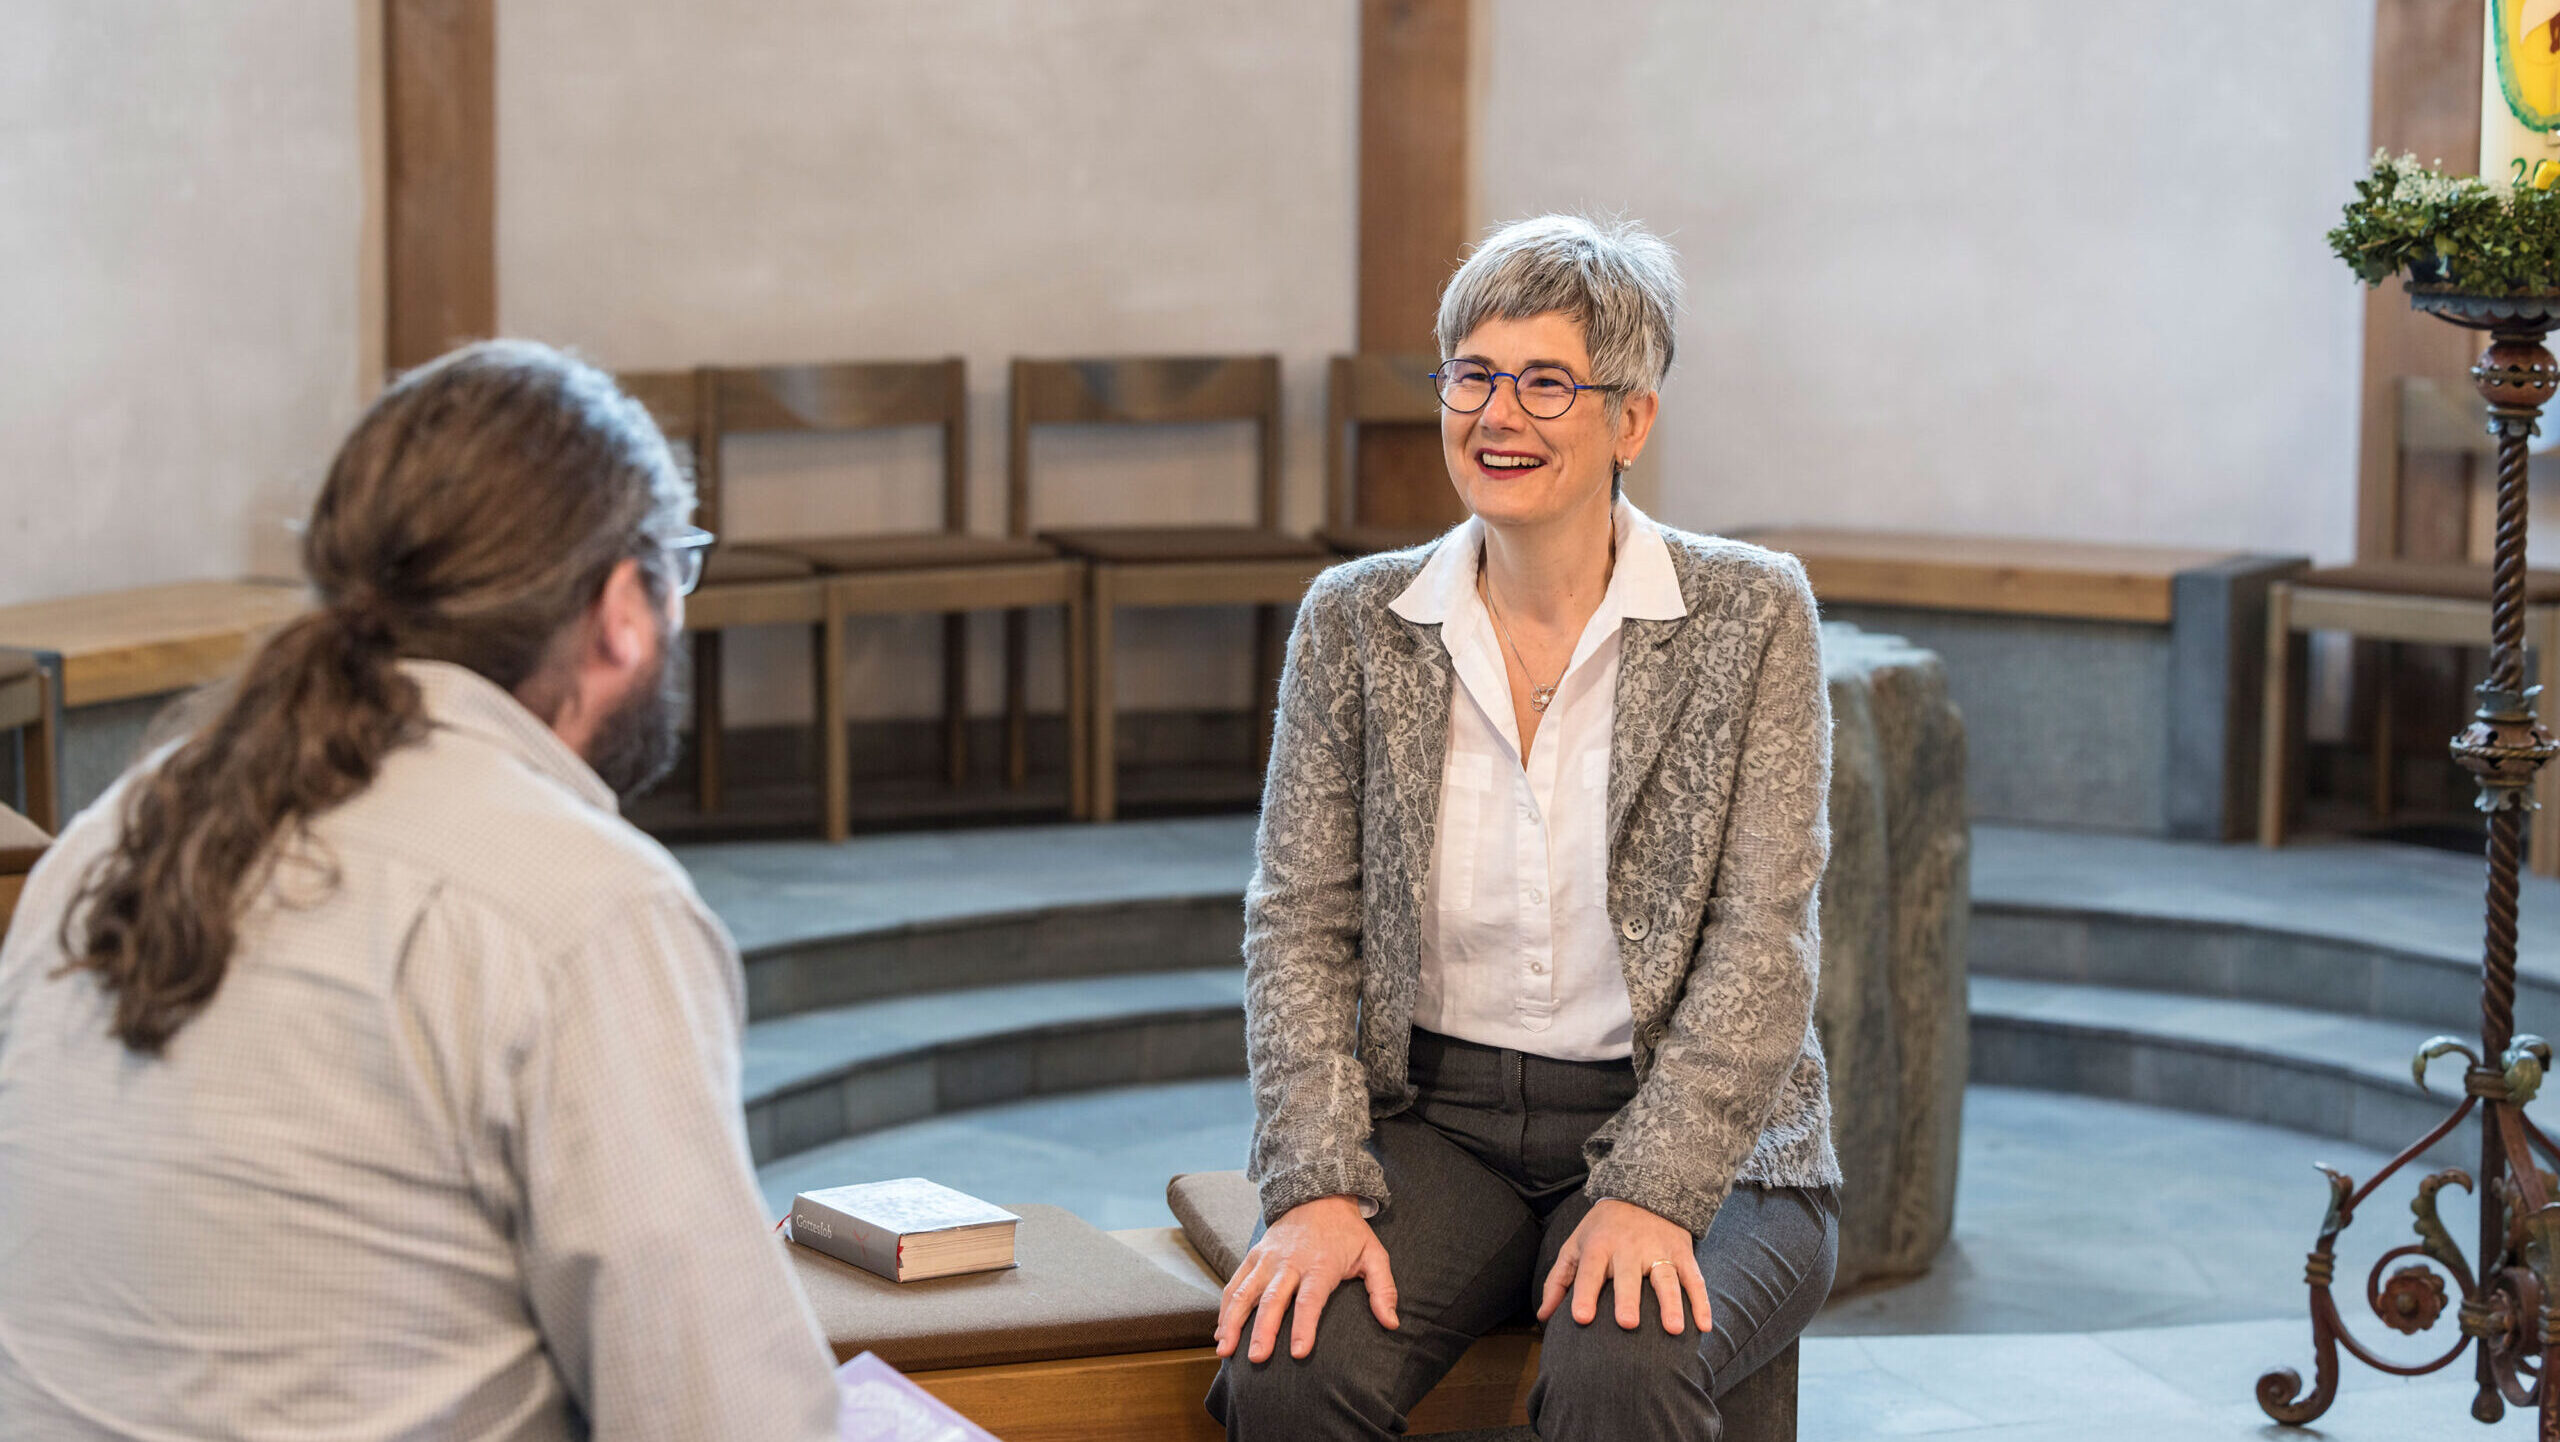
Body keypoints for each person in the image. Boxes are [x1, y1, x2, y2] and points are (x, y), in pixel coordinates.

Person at [0, 341, 843, 1439]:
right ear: (623, 607)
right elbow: (723, 1416)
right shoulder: (578, 902)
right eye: (674, 570)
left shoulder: (114, 828)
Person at [1207, 215, 1841, 1440]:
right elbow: (1296, 925)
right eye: (1472, 374)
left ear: (1632, 420)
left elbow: (1765, 940)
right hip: (1436, 1123)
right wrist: (1318, 1182)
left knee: (1624, 1366)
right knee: (1287, 1370)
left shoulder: (1753, 612)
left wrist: (1653, 1190)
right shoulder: (1353, 619)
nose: (1498, 414)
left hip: (1701, 1119)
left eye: (1547, 381)